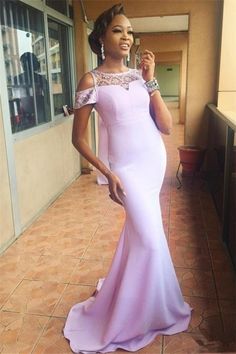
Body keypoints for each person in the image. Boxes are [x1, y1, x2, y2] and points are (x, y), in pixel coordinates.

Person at [64, 3, 192, 353]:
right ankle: (134, 314)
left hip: (152, 162)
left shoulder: (139, 77)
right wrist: (107, 173)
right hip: (125, 170)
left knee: (143, 237)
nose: (126, 36)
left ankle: (146, 302)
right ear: (102, 37)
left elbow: (165, 126)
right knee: (150, 239)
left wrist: (151, 80)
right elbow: (78, 138)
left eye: (130, 32)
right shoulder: (91, 80)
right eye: (118, 30)